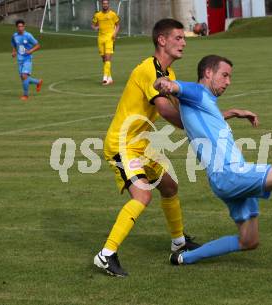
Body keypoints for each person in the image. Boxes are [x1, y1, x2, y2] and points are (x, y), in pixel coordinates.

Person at [154, 55, 272, 269]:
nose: (228, 82)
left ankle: (182, 258)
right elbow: (171, 86)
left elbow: (207, 120)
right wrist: (164, 84)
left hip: (223, 179)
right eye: (224, 75)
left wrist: (233, 112)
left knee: (248, 240)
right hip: (230, 173)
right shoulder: (196, 92)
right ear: (208, 73)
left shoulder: (203, 103)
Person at [93, 19, 200, 277]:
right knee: (142, 196)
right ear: (161, 40)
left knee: (170, 186)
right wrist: (196, 128)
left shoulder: (169, 74)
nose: (183, 42)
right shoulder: (148, 70)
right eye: (178, 38)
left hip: (142, 143)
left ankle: (179, 242)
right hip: (123, 143)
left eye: (184, 38)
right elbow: (165, 110)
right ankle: (105, 255)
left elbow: (178, 107)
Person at [11, 19, 43, 101]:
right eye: (19, 26)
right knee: (24, 79)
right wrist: (14, 51)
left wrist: (30, 51)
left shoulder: (28, 35)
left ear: (24, 26)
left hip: (27, 59)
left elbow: (38, 45)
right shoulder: (14, 36)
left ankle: (25, 95)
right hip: (19, 60)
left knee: (24, 76)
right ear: (16, 27)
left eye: (22, 26)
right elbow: (14, 44)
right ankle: (38, 82)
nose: (20, 28)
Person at [92, 0, 120, 85]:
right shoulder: (97, 15)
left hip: (109, 38)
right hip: (100, 38)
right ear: (102, 5)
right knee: (104, 59)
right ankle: (110, 78)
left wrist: (115, 33)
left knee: (108, 57)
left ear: (108, 5)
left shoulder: (113, 14)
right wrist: (95, 27)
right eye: (104, 4)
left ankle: (105, 78)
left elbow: (118, 25)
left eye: (106, 3)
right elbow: (93, 24)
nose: (105, 5)